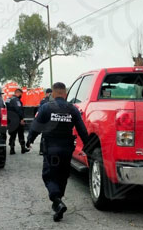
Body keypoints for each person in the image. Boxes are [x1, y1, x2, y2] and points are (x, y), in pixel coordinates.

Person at [26, 82, 89, 222]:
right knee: (63, 176)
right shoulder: (73, 109)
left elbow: (36, 127)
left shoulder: (46, 107)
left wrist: (29, 140)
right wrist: (88, 146)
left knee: (49, 176)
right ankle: (58, 201)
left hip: (51, 149)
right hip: (67, 150)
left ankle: (57, 200)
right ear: (65, 94)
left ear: (53, 94)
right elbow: (82, 130)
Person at [6, 88, 29, 155]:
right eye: (21, 94)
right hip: (17, 120)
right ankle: (23, 148)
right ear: (18, 93)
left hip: (10, 120)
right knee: (21, 134)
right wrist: (21, 119)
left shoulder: (8, 99)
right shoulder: (16, 100)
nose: (21, 96)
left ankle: (12, 149)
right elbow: (18, 109)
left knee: (12, 135)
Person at [38, 88, 53, 155]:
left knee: (44, 136)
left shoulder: (43, 101)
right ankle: (43, 150)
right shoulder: (46, 101)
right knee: (45, 136)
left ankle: (42, 150)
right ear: (48, 93)